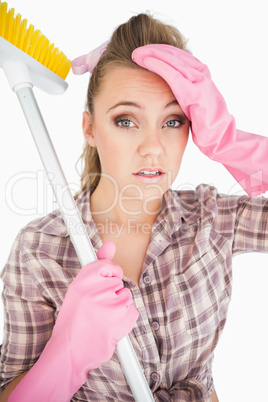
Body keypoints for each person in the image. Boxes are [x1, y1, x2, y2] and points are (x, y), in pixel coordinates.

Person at [0, 12, 267, 402]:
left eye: (173, 120)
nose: (153, 147)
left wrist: (236, 144)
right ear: (90, 128)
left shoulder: (214, 220)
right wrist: (66, 356)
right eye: (126, 120)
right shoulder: (40, 252)